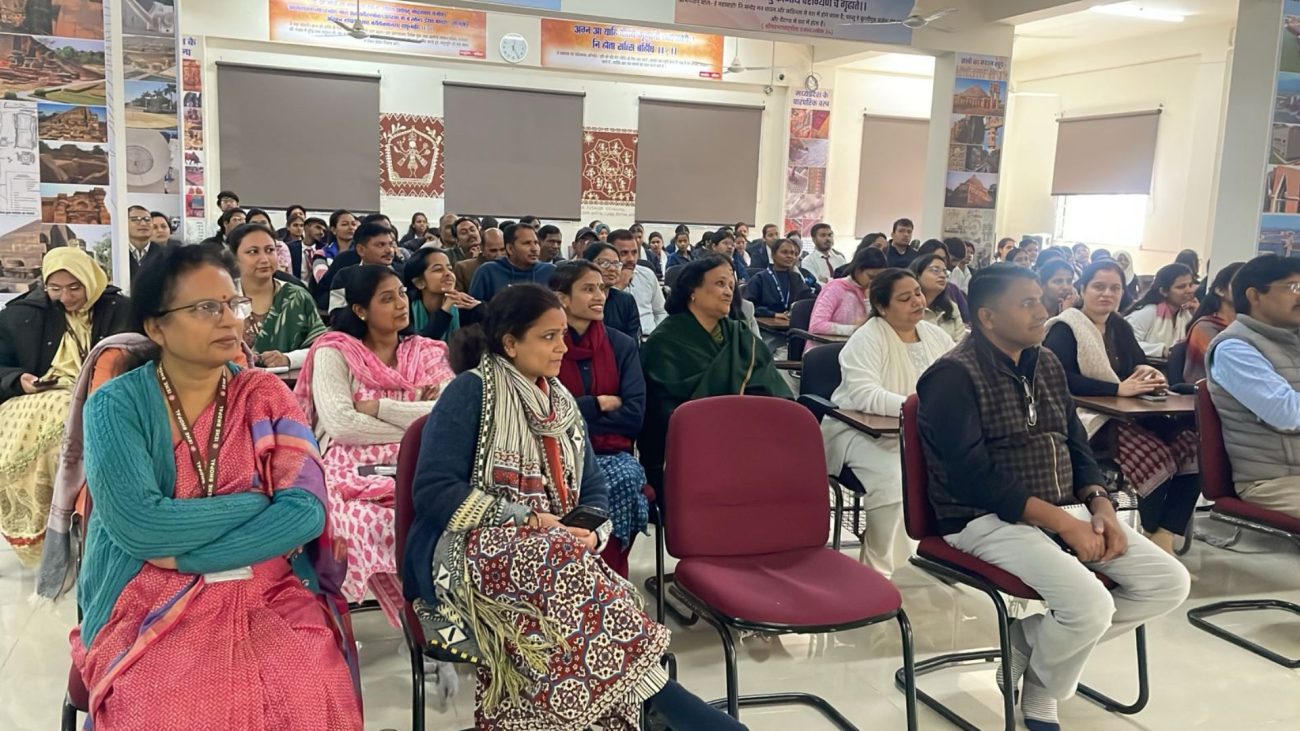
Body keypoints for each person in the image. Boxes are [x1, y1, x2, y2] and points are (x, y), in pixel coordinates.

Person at [404, 285, 744, 730]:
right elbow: (433, 491)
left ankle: (637, 706)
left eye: (562, 335)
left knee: (576, 575)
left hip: (553, 553)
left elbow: (593, 488)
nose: (562, 347)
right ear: (510, 343)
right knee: (557, 557)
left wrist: (591, 530)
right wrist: (527, 518)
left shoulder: (561, 402)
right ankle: (661, 699)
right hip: (466, 552)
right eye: (548, 337)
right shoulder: (471, 391)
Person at [72, 245, 361, 729]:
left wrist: (188, 557)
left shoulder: (265, 394)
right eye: (207, 307)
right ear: (156, 327)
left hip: (265, 587)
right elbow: (142, 527)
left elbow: (306, 511)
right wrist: (258, 503)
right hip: (145, 590)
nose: (229, 320)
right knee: (164, 709)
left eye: (233, 304)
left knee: (310, 690)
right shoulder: (115, 405)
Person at [917, 263, 1190, 731]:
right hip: (981, 518)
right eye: (1026, 303)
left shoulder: (1044, 362)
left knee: (1168, 582)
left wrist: (1101, 505)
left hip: (1066, 503)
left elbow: (1075, 443)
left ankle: (1030, 641)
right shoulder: (952, 376)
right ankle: (1045, 686)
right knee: (1090, 605)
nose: (1043, 311)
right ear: (986, 317)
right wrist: (1064, 523)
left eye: (1040, 300)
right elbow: (971, 476)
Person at [296, 264, 453, 613]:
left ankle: (431, 616)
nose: (400, 303)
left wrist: (379, 407)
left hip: (420, 461)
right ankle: (410, 614)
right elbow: (342, 425)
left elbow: (446, 413)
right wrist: (415, 415)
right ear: (360, 310)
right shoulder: (334, 351)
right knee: (361, 521)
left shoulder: (427, 351)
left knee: (445, 516)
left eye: (401, 293)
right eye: (386, 298)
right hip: (349, 466)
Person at [1044, 260, 1201, 553]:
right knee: (1155, 456)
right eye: (1099, 287)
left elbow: (1136, 362)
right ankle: (1153, 535)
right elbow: (1059, 377)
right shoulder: (1066, 327)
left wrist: (1147, 373)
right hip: (1091, 417)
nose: (1107, 294)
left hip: (1133, 411)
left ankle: (1163, 535)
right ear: (1082, 289)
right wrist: (1116, 389)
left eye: (1115, 288)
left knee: (1193, 447)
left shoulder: (1119, 325)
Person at [0, 248, 129, 564]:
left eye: (75, 287)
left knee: (78, 415)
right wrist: (19, 380)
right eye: (55, 288)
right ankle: (50, 523)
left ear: (91, 280)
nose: (65, 297)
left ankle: (82, 516)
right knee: (62, 417)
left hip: (104, 395)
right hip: (35, 398)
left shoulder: (121, 310)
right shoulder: (21, 315)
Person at [823, 268, 954, 575]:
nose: (917, 302)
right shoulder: (867, 337)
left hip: (922, 433)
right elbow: (865, 395)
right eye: (905, 298)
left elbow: (958, 381)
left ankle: (932, 562)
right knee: (898, 479)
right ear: (882, 307)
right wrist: (922, 411)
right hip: (860, 431)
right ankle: (880, 568)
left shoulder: (937, 336)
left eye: (917, 293)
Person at [641, 256, 793, 490]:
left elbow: (771, 389)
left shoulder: (741, 336)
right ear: (692, 290)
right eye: (720, 284)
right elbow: (661, 412)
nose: (728, 292)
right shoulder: (663, 343)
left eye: (731, 285)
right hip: (688, 449)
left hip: (749, 439)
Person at [550, 262, 650, 577]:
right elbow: (544, 414)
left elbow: (633, 417)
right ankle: (563, 572)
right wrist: (596, 404)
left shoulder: (621, 345)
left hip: (611, 453)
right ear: (562, 298)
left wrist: (575, 413)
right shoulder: (548, 346)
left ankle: (607, 573)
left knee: (624, 478)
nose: (600, 296)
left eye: (602, 289)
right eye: (588, 289)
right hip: (554, 454)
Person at [1207, 254, 1300, 521]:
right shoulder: (1234, 348)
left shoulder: (1292, 340)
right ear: (1254, 296)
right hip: (1273, 481)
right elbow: (1285, 413)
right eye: (1293, 287)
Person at [223, 223, 325, 370]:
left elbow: (323, 349)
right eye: (253, 252)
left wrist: (289, 359)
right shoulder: (222, 299)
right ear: (234, 258)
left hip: (289, 382)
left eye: (270, 250)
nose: (264, 259)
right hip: (232, 381)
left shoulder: (297, 297)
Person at [404, 247, 482, 343]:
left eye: (450, 268)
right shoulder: (406, 311)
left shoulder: (463, 307)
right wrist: (445, 310)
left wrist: (480, 307)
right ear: (419, 282)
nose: (448, 273)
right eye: (438, 269)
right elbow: (421, 343)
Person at [1184, 262, 1243, 383]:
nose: (1246, 289)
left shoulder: (1246, 326)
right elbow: (1228, 366)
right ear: (1220, 290)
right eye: (1240, 283)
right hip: (1210, 390)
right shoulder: (1205, 327)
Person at [1124, 262, 1197, 358]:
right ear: (1163, 291)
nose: (1189, 290)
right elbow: (1125, 344)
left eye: (1190, 285)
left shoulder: (1185, 313)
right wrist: (1162, 350)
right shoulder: (1147, 312)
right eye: (1181, 287)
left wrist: (1197, 314)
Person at [470, 223, 556, 303]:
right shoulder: (487, 271)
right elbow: (473, 308)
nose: (534, 249)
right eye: (527, 243)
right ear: (510, 249)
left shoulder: (551, 271)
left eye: (536, 243)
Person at [809, 246, 886, 337]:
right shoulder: (836, 289)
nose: (874, 282)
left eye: (879, 277)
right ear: (857, 270)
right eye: (871, 277)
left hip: (861, 342)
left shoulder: (873, 291)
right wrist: (854, 329)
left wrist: (868, 301)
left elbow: (874, 327)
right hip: (829, 343)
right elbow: (816, 326)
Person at [326, 221, 398, 314]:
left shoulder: (399, 274)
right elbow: (337, 315)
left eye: (391, 244)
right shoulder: (344, 277)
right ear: (361, 250)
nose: (389, 250)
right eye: (381, 245)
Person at [581, 241, 643, 342]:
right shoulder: (578, 299)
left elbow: (633, 342)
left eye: (616, 264)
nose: (612, 269)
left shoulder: (626, 300)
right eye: (605, 263)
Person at [609, 229, 667, 336]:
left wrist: (657, 335)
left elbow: (661, 312)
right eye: (624, 253)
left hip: (650, 337)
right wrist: (619, 287)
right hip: (619, 340)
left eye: (634, 252)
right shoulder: (604, 278)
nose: (631, 259)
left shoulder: (647, 274)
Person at [745, 238, 811, 318]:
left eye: (793, 253)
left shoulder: (796, 278)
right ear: (773, 255)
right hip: (766, 322)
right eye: (784, 252)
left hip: (792, 322)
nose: (790, 256)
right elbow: (748, 307)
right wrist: (773, 314)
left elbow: (808, 297)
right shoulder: (759, 279)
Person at [910, 253, 967, 342]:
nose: (943, 276)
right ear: (917, 275)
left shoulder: (951, 306)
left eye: (945, 272)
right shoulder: (908, 307)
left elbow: (961, 342)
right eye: (935, 270)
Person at [453, 225, 506, 294]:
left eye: (503, 249)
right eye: (493, 251)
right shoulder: (464, 268)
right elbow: (457, 297)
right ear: (482, 248)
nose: (499, 255)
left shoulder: (514, 266)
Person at [245, 208, 293, 274]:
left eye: (263, 223)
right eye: (254, 223)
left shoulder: (280, 246)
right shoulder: (243, 246)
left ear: (270, 225)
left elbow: (281, 272)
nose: (260, 226)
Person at [127, 205, 167, 282]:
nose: (143, 223)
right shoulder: (115, 254)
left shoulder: (165, 254)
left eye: (147, 219)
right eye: (135, 219)